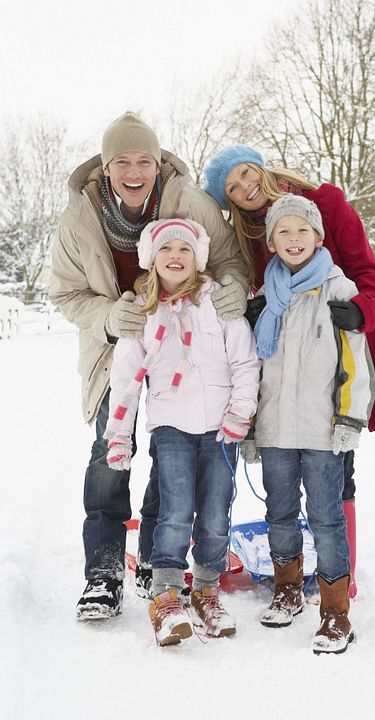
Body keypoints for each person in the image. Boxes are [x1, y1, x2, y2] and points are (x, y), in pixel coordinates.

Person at [202, 144, 375, 589]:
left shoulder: (326, 202)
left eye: (243, 174)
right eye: (231, 188)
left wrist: (363, 309)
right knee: (337, 458)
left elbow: (369, 271)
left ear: (259, 167)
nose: (243, 187)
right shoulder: (251, 239)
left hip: (372, 333)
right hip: (317, 357)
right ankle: (344, 577)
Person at [49, 113, 250, 620]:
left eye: (144, 160)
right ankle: (103, 573)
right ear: (106, 166)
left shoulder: (189, 204)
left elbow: (229, 260)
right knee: (109, 452)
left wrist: (229, 291)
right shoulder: (80, 218)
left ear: (157, 165)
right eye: (123, 161)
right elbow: (66, 293)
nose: (134, 171)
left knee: (173, 454)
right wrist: (108, 316)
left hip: (184, 349)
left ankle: (154, 564)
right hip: (114, 345)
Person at [104, 217, 260, 646]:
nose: (176, 257)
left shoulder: (219, 306)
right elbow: (126, 381)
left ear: (198, 259)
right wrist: (119, 436)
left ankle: (207, 589)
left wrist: (240, 413)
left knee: (214, 513)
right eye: (167, 250)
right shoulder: (143, 311)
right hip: (171, 426)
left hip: (220, 429)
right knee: (174, 511)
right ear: (152, 259)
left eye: (185, 250)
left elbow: (245, 364)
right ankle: (167, 594)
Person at [248, 194, 374, 654]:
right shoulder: (264, 298)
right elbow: (251, 368)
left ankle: (335, 611)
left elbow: (356, 365)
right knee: (279, 511)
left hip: (324, 431)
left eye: (303, 230)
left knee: (325, 517)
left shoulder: (339, 291)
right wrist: (248, 424)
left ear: (318, 238)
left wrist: (349, 419)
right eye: (284, 231)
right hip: (276, 428)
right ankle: (287, 589)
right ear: (272, 243)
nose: (294, 238)